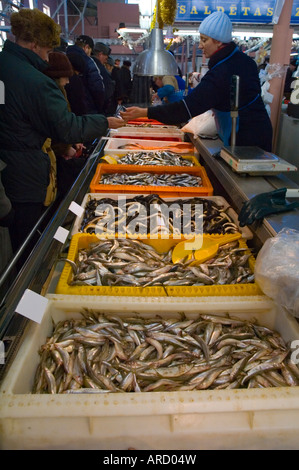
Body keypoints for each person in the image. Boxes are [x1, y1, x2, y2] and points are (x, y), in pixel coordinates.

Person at [0, 8, 125, 253]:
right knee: (29, 244)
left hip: (6, 171)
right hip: (26, 176)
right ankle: (29, 286)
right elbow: (66, 127)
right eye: (48, 51)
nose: (48, 59)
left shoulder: (5, 68)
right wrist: (104, 122)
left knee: (11, 242)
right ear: (36, 43)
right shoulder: (35, 82)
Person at [121, 11, 273, 152]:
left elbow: (185, 109)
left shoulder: (223, 71)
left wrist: (145, 112)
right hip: (251, 131)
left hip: (247, 139)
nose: (200, 46)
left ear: (219, 42)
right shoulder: (241, 61)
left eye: (204, 40)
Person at [66, 35, 105, 114]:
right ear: (86, 47)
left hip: (67, 106)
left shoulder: (63, 57)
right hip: (87, 107)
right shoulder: (88, 61)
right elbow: (97, 88)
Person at [92, 42, 117, 115]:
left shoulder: (91, 65)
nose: (106, 61)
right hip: (99, 109)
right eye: (106, 58)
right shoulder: (98, 68)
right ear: (100, 54)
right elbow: (105, 91)